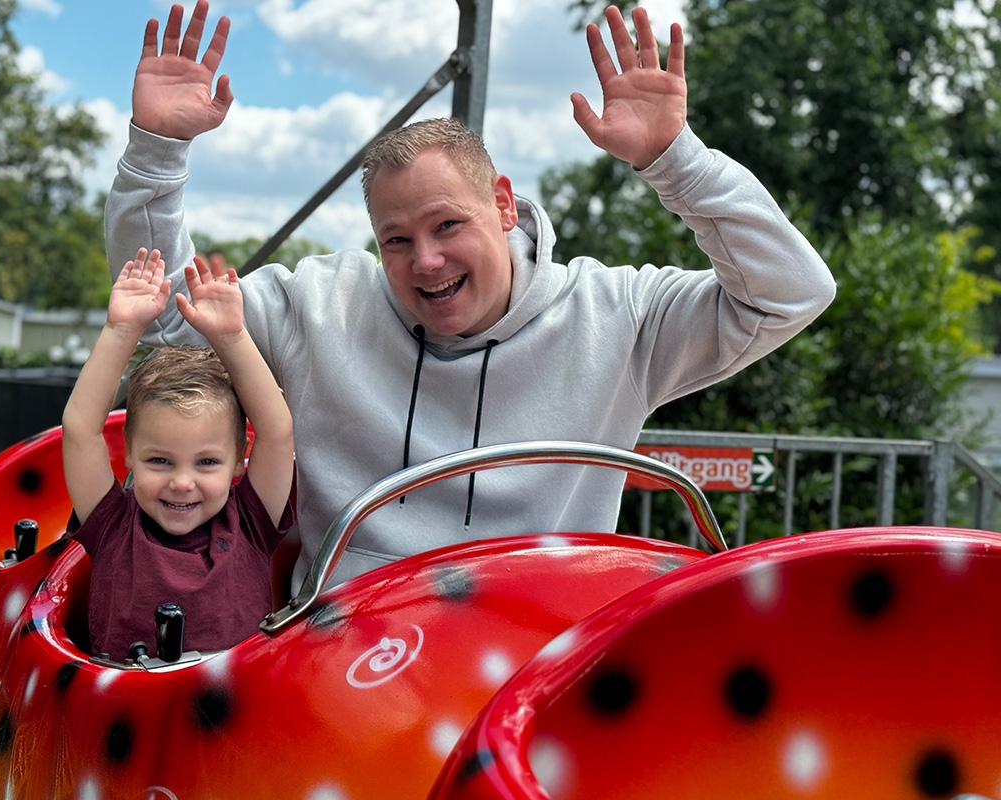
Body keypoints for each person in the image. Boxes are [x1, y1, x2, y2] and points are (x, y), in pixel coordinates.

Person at [104, 2, 837, 592]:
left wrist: (676, 162)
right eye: (396, 240)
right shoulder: (321, 303)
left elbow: (789, 293)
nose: (426, 261)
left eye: (448, 225)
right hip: (345, 659)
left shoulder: (617, 315)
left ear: (505, 205)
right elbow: (166, 317)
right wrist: (157, 151)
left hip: (541, 658)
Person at [61, 247, 294, 658]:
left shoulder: (251, 524)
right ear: (128, 454)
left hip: (230, 717)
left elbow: (277, 432)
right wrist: (121, 330)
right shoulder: (113, 525)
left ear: (241, 458)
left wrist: (232, 337)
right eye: (159, 461)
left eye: (207, 462)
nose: (182, 482)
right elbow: (80, 430)